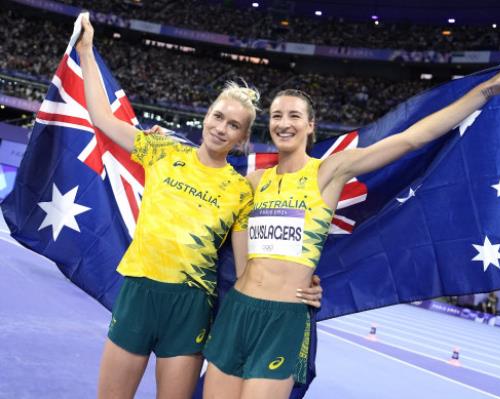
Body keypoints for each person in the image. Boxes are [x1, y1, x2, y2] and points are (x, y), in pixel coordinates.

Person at [202, 60, 500, 399]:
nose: (284, 123)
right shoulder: (253, 181)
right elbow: (229, 235)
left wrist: (489, 89)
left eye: (294, 115)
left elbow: (412, 139)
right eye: (277, 115)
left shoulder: (330, 171)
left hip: (282, 321)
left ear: (311, 125)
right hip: (239, 310)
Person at [76, 15, 321, 399]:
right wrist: (87, 52)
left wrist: (300, 285)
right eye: (218, 116)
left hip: (191, 307)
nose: (222, 128)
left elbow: (248, 268)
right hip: (139, 292)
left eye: (234, 126)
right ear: (205, 116)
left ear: (242, 139)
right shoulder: (162, 150)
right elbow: (101, 118)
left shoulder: (242, 191)